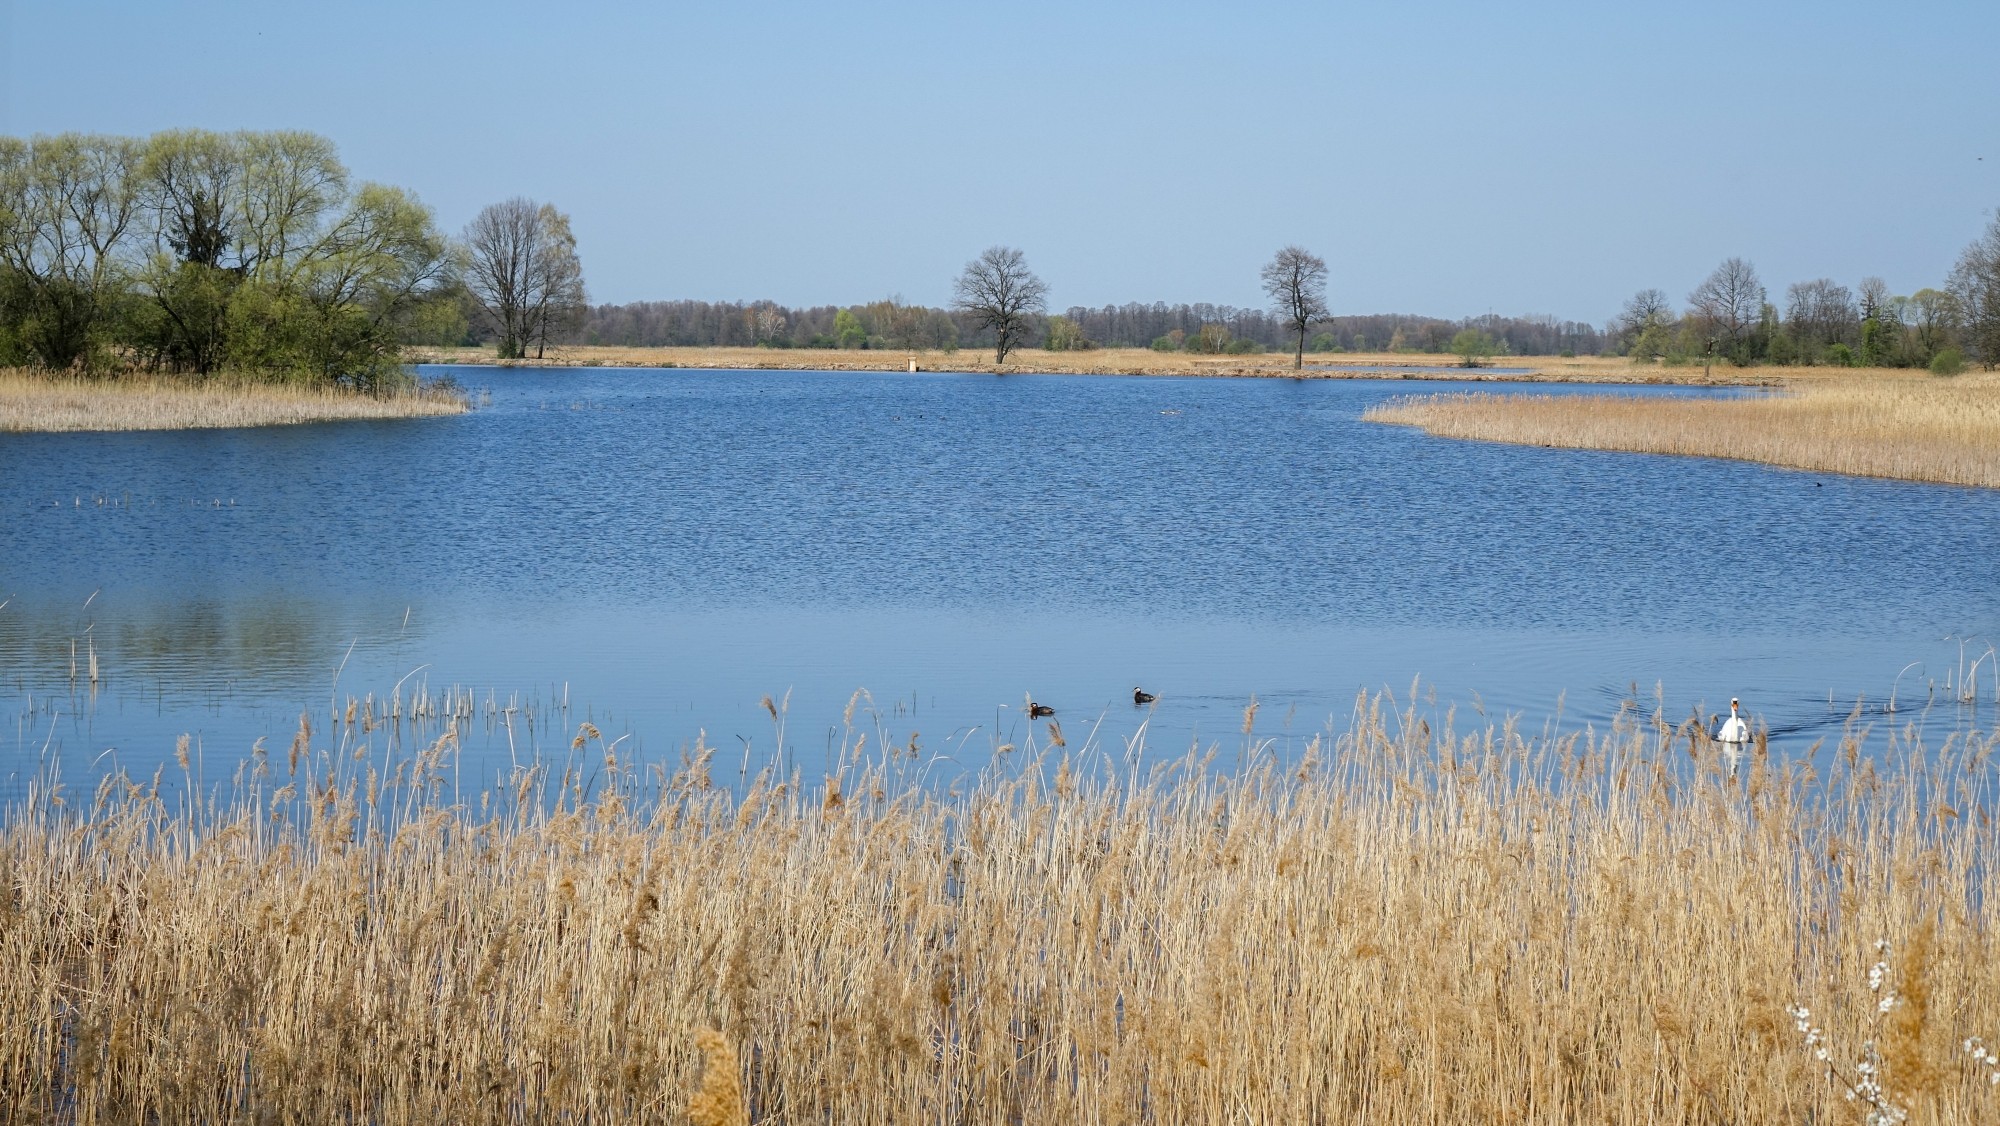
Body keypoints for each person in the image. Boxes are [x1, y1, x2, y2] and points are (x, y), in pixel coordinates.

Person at [1715, 698, 1750, 775]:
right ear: (1731, 704)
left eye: (1736, 703)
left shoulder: (1743, 736)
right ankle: (1732, 773)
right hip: (1731, 724)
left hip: (1736, 723)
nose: (1735, 706)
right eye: (1734, 704)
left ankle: (1733, 774)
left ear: (1737, 704)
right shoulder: (1725, 734)